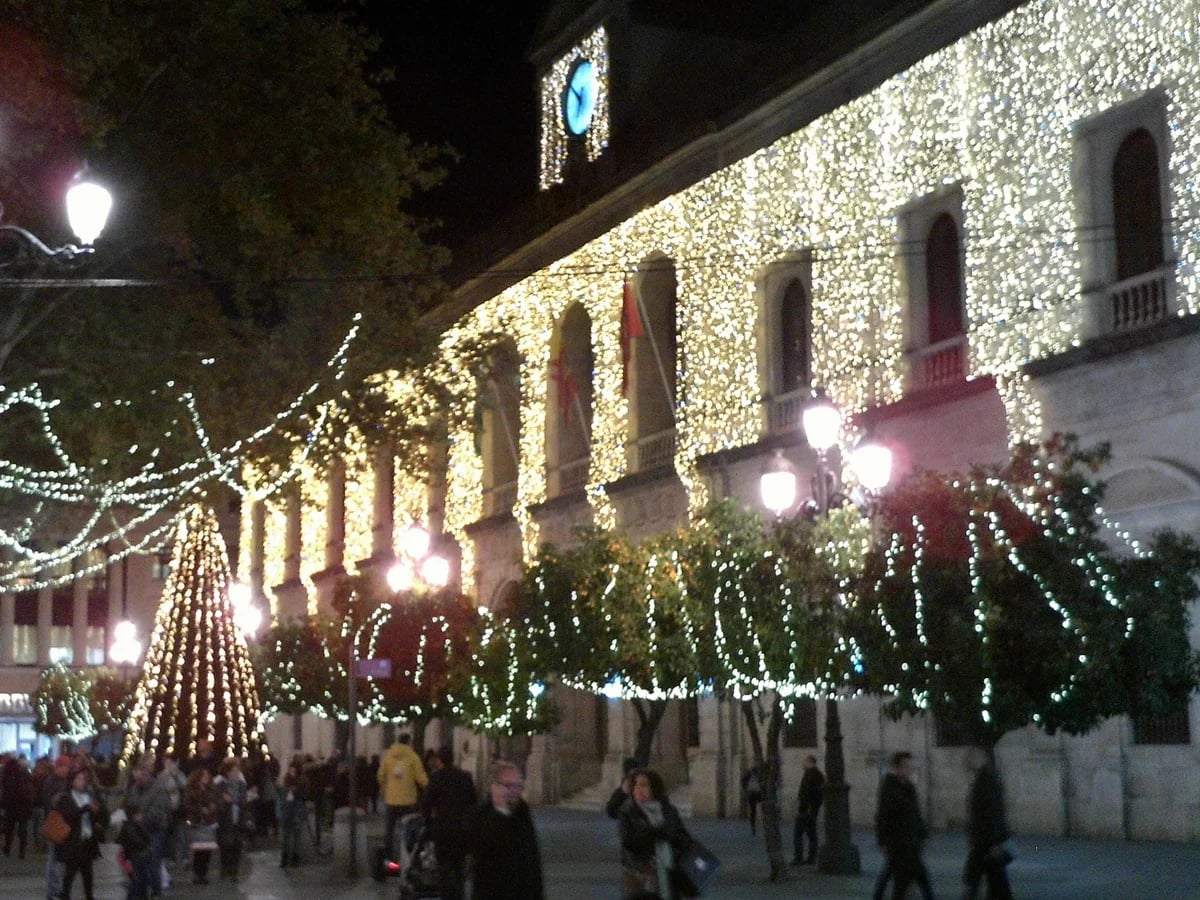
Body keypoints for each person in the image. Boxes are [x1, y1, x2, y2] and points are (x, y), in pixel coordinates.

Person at [465, 760, 544, 900]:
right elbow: (482, 851)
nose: (514, 791)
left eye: (518, 786)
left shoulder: (522, 812)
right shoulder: (481, 814)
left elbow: (532, 858)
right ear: (494, 786)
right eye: (508, 786)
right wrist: (501, 811)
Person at [616, 767, 693, 899]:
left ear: (654, 788)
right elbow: (628, 842)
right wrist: (654, 832)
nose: (638, 789)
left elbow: (682, 837)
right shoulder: (627, 812)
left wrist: (673, 838)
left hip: (670, 871)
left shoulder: (668, 810)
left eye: (644, 785)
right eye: (635, 785)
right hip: (640, 875)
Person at [874, 751, 934, 900]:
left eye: (911, 766)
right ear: (897, 768)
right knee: (904, 880)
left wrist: (924, 835)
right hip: (898, 843)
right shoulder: (889, 787)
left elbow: (916, 814)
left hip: (912, 842)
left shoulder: (910, 787)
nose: (910, 769)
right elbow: (882, 816)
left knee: (915, 876)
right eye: (907, 766)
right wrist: (882, 841)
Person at [421, 746, 478, 900]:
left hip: (442, 829)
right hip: (461, 829)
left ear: (440, 760)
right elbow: (473, 803)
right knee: (459, 866)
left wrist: (427, 821)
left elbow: (426, 802)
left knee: (443, 867)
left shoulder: (436, 777)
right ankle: (459, 894)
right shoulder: (465, 777)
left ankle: (447, 895)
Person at [963, 747, 1014, 899]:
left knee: (989, 884)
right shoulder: (985, 778)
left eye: (970, 758)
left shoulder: (986, 781)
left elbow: (993, 813)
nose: (966, 761)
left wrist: (996, 841)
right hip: (985, 842)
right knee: (993, 884)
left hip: (986, 842)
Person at [54, 765, 109, 900]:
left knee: (88, 874)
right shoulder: (66, 797)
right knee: (70, 874)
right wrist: (86, 808)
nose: (82, 781)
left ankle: (89, 896)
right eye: (79, 779)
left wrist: (98, 812)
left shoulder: (88, 796)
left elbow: (98, 816)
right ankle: (65, 895)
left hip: (87, 841)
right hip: (73, 842)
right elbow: (70, 814)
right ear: (72, 781)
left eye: (84, 779)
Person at [378, 734, 428, 862]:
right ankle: (407, 858)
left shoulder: (388, 757)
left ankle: (389, 858)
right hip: (408, 800)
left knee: (389, 830)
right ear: (408, 742)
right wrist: (430, 786)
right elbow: (420, 777)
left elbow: (380, 775)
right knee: (409, 830)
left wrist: (385, 790)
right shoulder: (413, 757)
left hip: (391, 800)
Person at [125, 763, 171, 897]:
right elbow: (129, 805)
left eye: (140, 779)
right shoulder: (134, 789)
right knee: (138, 866)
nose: (138, 782)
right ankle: (141, 893)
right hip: (138, 832)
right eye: (136, 779)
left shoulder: (159, 789)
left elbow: (160, 811)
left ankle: (156, 892)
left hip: (154, 831)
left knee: (153, 865)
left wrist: (144, 817)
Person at [183, 767, 219, 885]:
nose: (206, 779)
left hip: (208, 821)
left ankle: (203, 873)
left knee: (207, 850)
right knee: (198, 850)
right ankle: (197, 873)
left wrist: (213, 807)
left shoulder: (211, 790)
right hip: (197, 822)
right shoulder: (192, 790)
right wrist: (200, 809)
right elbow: (188, 804)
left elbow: (215, 801)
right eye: (204, 776)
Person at [213, 757, 248, 881]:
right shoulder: (220, 783)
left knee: (236, 846)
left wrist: (234, 800)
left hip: (238, 817)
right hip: (225, 818)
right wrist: (223, 801)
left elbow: (244, 800)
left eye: (237, 770)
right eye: (233, 771)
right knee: (225, 845)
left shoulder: (241, 784)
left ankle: (234, 871)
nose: (236, 773)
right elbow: (216, 800)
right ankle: (225, 868)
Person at [116, 802, 155, 900]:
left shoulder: (134, 825)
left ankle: (140, 896)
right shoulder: (131, 826)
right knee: (137, 879)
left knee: (140, 879)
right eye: (139, 814)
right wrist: (144, 846)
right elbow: (136, 840)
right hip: (136, 855)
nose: (142, 816)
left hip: (137, 855)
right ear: (135, 816)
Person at [792, 753, 825, 866]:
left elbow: (812, 794)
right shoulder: (816, 775)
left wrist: (807, 808)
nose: (803, 764)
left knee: (798, 834)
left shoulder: (812, 775)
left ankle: (799, 858)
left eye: (804, 762)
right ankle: (811, 858)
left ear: (810, 762)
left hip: (806, 810)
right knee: (811, 835)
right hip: (810, 810)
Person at [2, 753, 35, 858]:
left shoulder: (6, 774)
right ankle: (22, 851)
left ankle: (7, 848)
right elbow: (30, 790)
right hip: (23, 805)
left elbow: (4, 792)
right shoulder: (24, 774)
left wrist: (2, 806)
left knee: (9, 829)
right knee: (22, 829)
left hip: (10, 805)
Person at [277, 758, 308, 868]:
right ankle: (285, 857)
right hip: (287, 809)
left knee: (296, 834)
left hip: (297, 808)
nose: (291, 772)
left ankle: (295, 858)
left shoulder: (302, 781)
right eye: (290, 770)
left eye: (293, 770)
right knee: (286, 835)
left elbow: (304, 796)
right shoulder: (286, 780)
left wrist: (296, 791)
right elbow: (282, 795)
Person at [741, 762, 764, 835]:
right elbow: (743, 781)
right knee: (754, 810)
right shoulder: (755, 774)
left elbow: (743, 781)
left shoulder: (752, 774)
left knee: (753, 810)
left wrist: (746, 789)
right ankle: (753, 825)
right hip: (755, 793)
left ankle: (754, 825)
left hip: (754, 793)